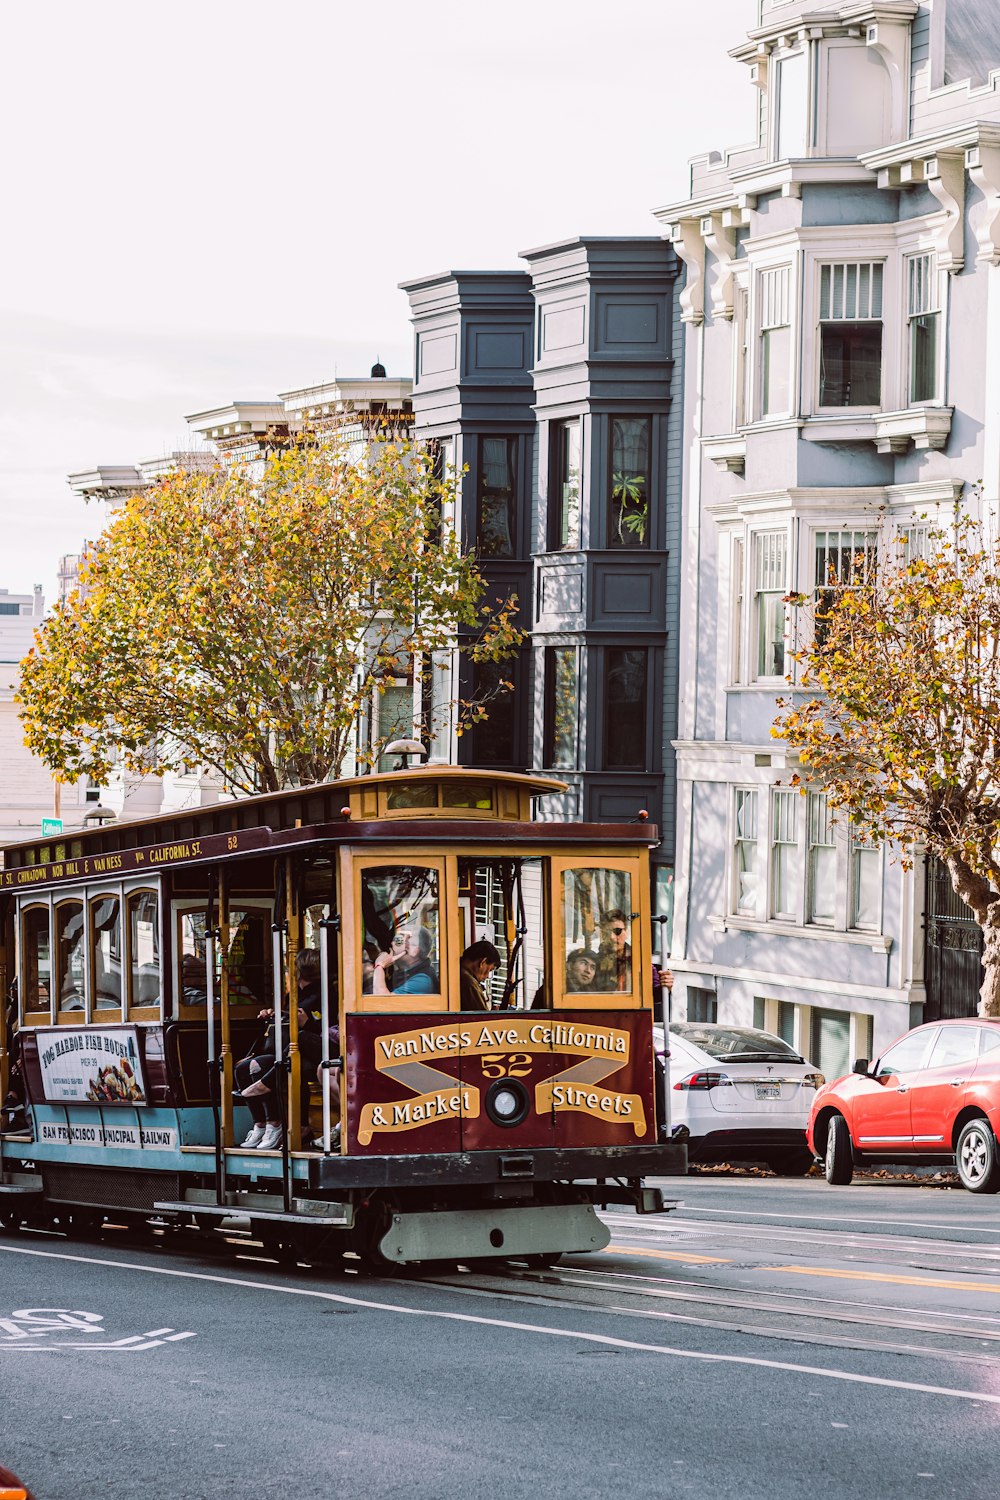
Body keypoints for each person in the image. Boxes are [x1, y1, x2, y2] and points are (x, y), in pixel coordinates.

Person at [235, 948, 323, 1150]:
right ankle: (261, 1124)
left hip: (313, 1054)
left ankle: (279, 1124)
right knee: (243, 1067)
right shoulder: (294, 994)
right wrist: (274, 1015)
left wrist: (308, 1023)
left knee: (267, 1067)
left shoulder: (326, 992)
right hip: (285, 1052)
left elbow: (332, 1028)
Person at [372, 927, 438, 995]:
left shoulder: (422, 980)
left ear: (414, 950)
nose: (392, 943)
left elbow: (382, 1001)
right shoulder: (403, 972)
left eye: (399, 941)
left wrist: (379, 966)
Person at [595, 910, 632, 992]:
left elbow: (655, 992)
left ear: (627, 932)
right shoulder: (595, 962)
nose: (612, 937)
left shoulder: (638, 960)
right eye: (607, 932)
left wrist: (666, 985)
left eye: (617, 931)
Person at [459, 940, 501, 1010]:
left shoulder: (455, 971)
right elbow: (483, 1018)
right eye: (490, 970)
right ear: (483, 962)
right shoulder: (469, 982)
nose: (487, 976)